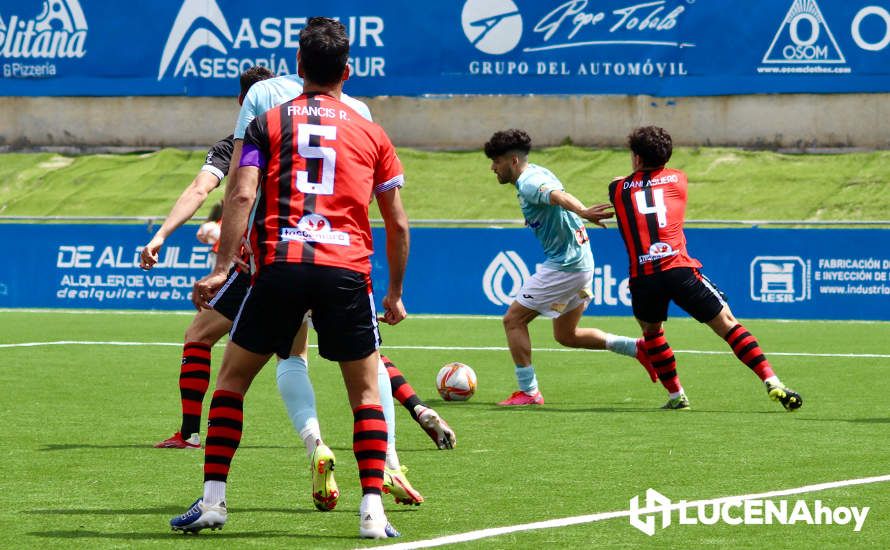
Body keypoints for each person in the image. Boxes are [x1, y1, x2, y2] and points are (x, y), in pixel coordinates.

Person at [171, 17, 410, 538]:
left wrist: (220, 269)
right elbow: (396, 221)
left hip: (279, 265)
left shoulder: (267, 122)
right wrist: (393, 292)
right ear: (348, 70)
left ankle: (213, 502)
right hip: (346, 270)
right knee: (366, 396)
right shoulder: (372, 131)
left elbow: (240, 195)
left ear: (298, 67)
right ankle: (372, 513)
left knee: (231, 381)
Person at [607, 126, 803, 411]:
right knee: (727, 324)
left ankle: (676, 396)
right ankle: (772, 381)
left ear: (636, 158)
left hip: (643, 277)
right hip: (678, 270)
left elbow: (622, 182)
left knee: (651, 333)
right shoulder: (679, 180)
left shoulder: (617, 189)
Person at [483, 129, 657, 406]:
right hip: (581, 262)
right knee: (566, 335)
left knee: (513, 320)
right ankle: (637, 348)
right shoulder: (536, 171)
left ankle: (529, 392)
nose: (493, 168)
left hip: (565, 266)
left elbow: (557, 196)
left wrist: (584, 211)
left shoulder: (529, 181)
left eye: (496, 161)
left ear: (513, 161)